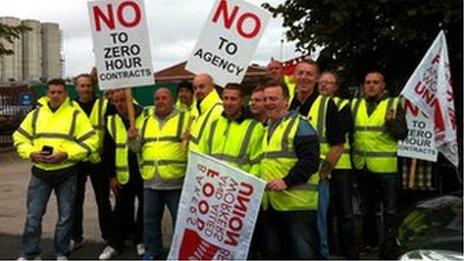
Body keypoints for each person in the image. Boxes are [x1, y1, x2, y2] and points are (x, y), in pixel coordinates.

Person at [13, 78, 98, 260]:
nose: (56, 95)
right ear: (47, 94)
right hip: (40, 172)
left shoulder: (76, 115)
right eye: (52, 92)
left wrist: (66, 154)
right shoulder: (36, 115)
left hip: (67, 172)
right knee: (33, 216)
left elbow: (91, 142)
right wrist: (31, 153)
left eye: (60, 92)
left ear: (66, 94)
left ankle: (62, 253)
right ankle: (30, 254)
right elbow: (19, 138)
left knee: (65, 217)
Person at [290, 60, 345, 258]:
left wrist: (324, 172)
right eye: (300, 73)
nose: (304, 77)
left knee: (318, 227)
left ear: (316, 78)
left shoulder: (326, 104)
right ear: (294, 76)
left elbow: (338, 145)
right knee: (296, 230)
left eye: (308, 74)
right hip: (292, 175)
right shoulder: (289, 102)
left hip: (315, 180)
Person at [260, 81, 321, 259]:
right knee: (274, 252)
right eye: (265, 99)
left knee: (304, 254)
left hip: (297, 204)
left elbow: (310, 162)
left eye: (273, 98)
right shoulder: (266, 128)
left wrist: (287, 181)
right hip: (271, 203)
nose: (268, 103)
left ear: (286, 101)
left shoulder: (301, 125)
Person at [351, 71, 407, 254]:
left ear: (383, 85)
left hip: (385, 167)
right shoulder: (355, 104)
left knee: (390, 211)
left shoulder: (393, 104)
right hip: (362, 165)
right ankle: (370, 242)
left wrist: (391, 123)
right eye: (368, 82)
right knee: (367, 209)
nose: (371, 86)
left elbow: (402, 134)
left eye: (375, 82)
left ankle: (390, 246)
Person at [134, 88, 189, 259]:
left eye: (164, 98)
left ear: (171, 100)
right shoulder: (144, 121)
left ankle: (178, 253)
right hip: (151, 180)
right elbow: (136, 148)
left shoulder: (184, 119)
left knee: (180, 222)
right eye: (157, 98)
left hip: (176, 180)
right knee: (150, 222)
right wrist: (131, 140)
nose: (160, 101)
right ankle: (152, 251)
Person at [98, 89, 145, 259]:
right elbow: (109, 151)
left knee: (144, 209)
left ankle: (140, 240)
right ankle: (114, 244)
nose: (118, 104)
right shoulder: (111, 121)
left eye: (121, 100)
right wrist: (111, 176)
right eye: (115, 101)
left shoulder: (145, 117)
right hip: (123, 173)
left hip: (143, 172)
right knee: (121, 210)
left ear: (131, 100)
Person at [70, 73, 113, 250]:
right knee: (75, 201)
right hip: (77, 161)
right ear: (76, 87)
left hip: (98, 160)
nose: (86, 89)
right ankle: (75, 237)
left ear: (93, 86)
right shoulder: (70, 107)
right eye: (82, 86)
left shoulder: (104, 104)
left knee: (103, 201)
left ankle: (109, 238)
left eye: (88, 85)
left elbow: (111, 132)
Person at [318, 71, 357, 259]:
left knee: (345, 212)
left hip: (340, 166)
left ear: (336, 87)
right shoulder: (315, 105)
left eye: (329, 83)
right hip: (320, 167)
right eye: (321, 82)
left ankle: (349, 252)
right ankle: (331, 248)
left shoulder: (342, 104)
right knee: (324, 211)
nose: (324, 86)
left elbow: (340, 132)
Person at [188, 73, 223, 152]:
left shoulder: (219, 110)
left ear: (212, 86)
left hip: (205, 162)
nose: (198, 91)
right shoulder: (198, 108)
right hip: (197, 161)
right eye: (195, 88)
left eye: (201, 87)